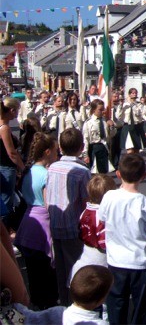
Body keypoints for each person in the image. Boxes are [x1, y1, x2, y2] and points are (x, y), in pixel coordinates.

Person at [98, 154, 146, 324]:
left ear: (118, 174)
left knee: (116, 302)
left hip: (115, 261)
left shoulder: (109, 196)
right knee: (140, 306)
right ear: (144, 176)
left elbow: (101, 219)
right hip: (139, 262)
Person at [46, 128, 92, 306]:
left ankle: (65, 304)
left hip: (56, 224)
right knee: (76, 270)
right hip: (73, 227)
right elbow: (87, 201)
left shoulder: (52, 167)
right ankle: (76, 306)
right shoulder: (81, 171)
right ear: (81, 147)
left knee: (62, 270)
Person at [14, 132, 59, 309]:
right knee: (46, 273)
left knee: (34, 273)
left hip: (28, 220)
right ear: (47, 152)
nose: (57, 154)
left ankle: (37, 304)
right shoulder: (46, 175)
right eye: (55, 151)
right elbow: (49, 205)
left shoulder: (30, 171)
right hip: (42, 224)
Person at [70, 174, 117, 284]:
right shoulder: (102, 216)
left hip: (87, 252)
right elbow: (103, 243)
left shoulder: (85, 212)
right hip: (100, 258)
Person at [0, 97, 26, 228]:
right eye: (16, 111)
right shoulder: (4, 128)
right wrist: (23, 167)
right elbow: (11, 153)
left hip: (4, 167)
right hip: (6, 168)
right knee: (6, 202)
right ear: (11, 110)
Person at [82, 100, 116, 175]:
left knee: (103, 173)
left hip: (104, 147)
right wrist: (85, 154)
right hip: (94, 148)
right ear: (94, 110)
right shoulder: (89, 122)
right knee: (94, 173)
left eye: (103, 109)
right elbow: (85, 139)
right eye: (100, 110)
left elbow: (111, 135)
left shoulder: (105, 121)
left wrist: (112, 126)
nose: (103, 111)